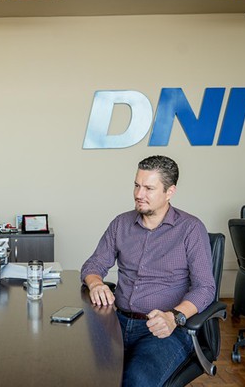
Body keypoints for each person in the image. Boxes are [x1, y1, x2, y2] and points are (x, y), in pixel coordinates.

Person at [80, 155, 215, 387]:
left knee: (135, 381)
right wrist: (96, 283)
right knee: (81, 371)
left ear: (169, 192)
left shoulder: (191, 229)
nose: (138, 194)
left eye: (149, 188)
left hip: (164, 329)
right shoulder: (121, 223)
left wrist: (174, 317)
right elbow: (93, 265)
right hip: (117, 322)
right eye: (137, 185)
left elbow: (205, 288)